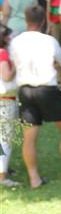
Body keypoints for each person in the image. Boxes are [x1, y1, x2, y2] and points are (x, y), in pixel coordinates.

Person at [8, 5, 61, 188]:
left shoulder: (15, 42)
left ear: (26, 20)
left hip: (24, 90)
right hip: (47, 90)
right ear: (43, 21)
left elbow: (14, 63)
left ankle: (34, 179)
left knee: (29, 137)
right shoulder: (49, 40)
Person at [0, 25, 20, 186]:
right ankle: (2, 176)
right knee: (5, 138)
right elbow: (6, 76)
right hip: (5, 99)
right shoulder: (3, 53)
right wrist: (15, 65)